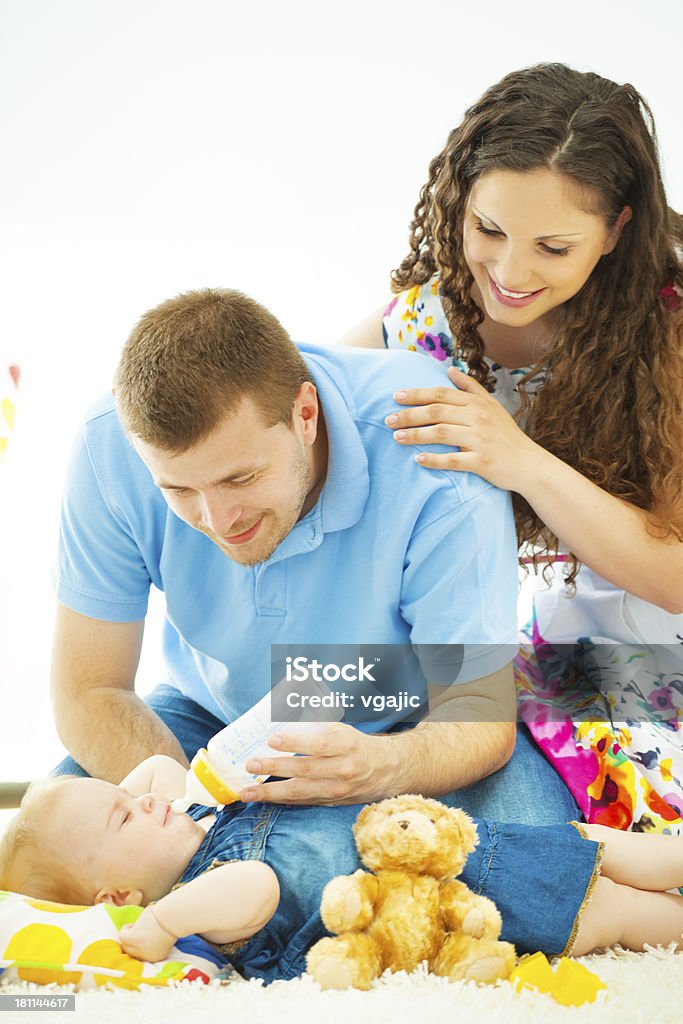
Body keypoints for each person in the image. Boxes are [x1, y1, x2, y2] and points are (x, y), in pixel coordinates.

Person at [50, 285, 571, 824]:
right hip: (209, 719)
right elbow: (91, 688)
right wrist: (182, 813)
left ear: (305, 413)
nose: (218, 520)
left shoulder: (437, 451)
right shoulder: (108, 445)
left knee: (537, 863)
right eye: (179, 491)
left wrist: (379, 766)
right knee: (57, 847)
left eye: (241, 477)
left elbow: (479, 712)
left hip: (409, 725)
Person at [341, 62, 683, 833]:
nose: (508, 271)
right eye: (487, 229)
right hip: (512, 646)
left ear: (616, 230)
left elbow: (673, 576)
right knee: (299, 701)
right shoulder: (430, 321)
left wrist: (518, 460)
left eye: (552, 248)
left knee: (536, 821)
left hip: (643, 650)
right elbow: (301, 408)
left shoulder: (668, 331)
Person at [2, 754, 683, 983]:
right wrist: (153, 921)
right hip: (466, 896)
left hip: (452, 841)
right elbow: (259, 887)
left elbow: (155, 773)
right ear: (118, 892)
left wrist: (118, 807)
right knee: (617, 912)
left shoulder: (197, 819)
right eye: (126, 816)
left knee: (615, 848)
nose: (145, 799)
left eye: (127, 798)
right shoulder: (208, 895)